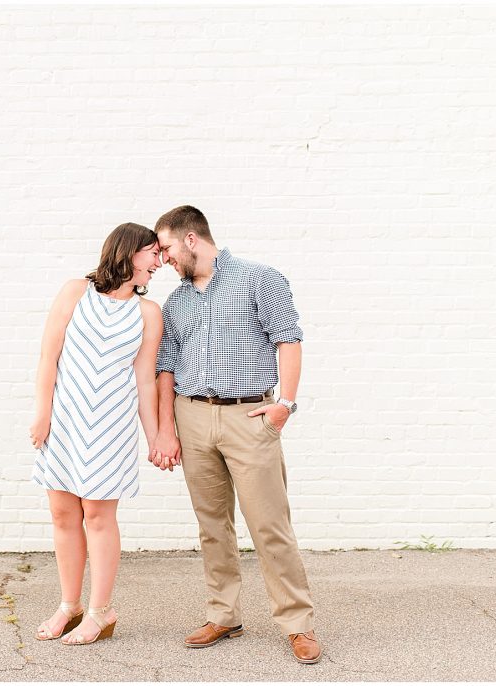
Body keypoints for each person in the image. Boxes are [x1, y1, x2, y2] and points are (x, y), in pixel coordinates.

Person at [149, 205, 321, 664]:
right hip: (192, 417)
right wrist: (167, 428)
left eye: (165, 248)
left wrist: (284, 404)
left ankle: (297, 623)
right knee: (212, 526)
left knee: (270, 526)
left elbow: (289, 337)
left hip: (250, 418)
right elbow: (165, 367)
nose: (161, 258)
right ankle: (223, 614)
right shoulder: (176, 302)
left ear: (190, 239)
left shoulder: (259, 279)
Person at [29, 223, 163, 646]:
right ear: (128, 252)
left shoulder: (148, 313)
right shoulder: (74, 292)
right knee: (63, 515)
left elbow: (145, 382)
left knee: (99, 518)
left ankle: (101, 611)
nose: (159, 262)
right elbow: (49, 356)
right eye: (153, 254)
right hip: (64, 424)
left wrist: (157, 436)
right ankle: (69, 605)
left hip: (111, 429)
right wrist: (42, 414)